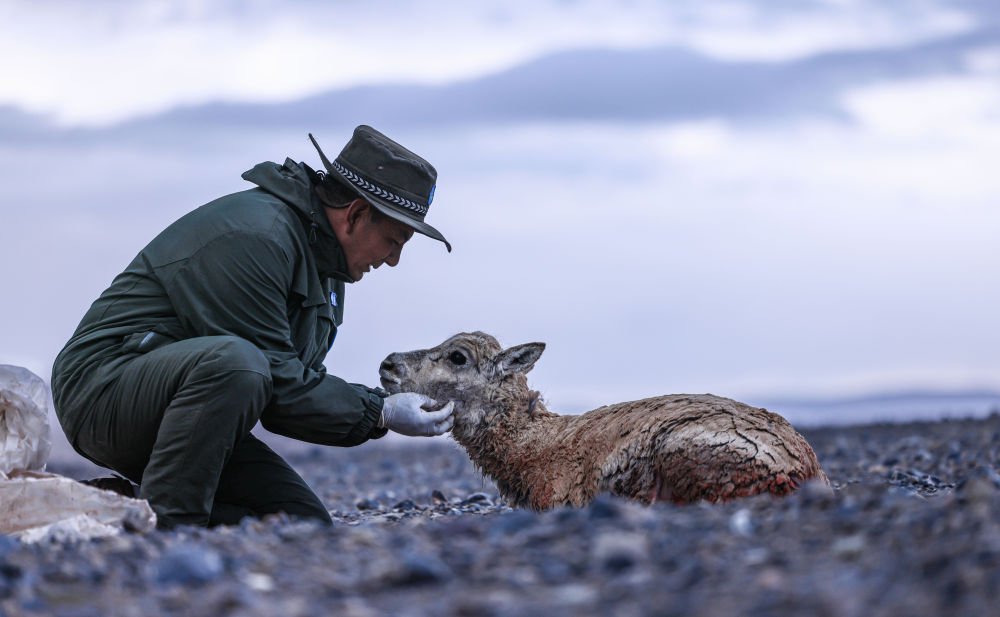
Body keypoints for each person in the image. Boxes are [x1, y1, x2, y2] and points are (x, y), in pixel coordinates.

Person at [51, 125, 455, 528]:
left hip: (191, 410)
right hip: (101, 391)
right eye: (395, 241)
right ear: (356, 214)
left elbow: (290, 390)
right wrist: (380, 411)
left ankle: (103, 511)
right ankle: (169, 529)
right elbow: (274, 381)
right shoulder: (258, 237)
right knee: (238, 363)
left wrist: (377, 411)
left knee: (299, 522)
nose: (393, 260)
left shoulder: (328, 265)